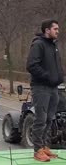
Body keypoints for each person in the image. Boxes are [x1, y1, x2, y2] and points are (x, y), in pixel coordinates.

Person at [26, 19, 64, 162]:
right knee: (40, 119)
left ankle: (43, 146)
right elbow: (31, 66)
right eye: (55, 29)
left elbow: (56, 65)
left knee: (49, 119)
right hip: (41, 87)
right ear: (47, 30)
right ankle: (37, 151)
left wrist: (60, 76)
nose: (57, 31)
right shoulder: (38, 44)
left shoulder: (53, 46)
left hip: (53, 88)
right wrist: (48, 76)